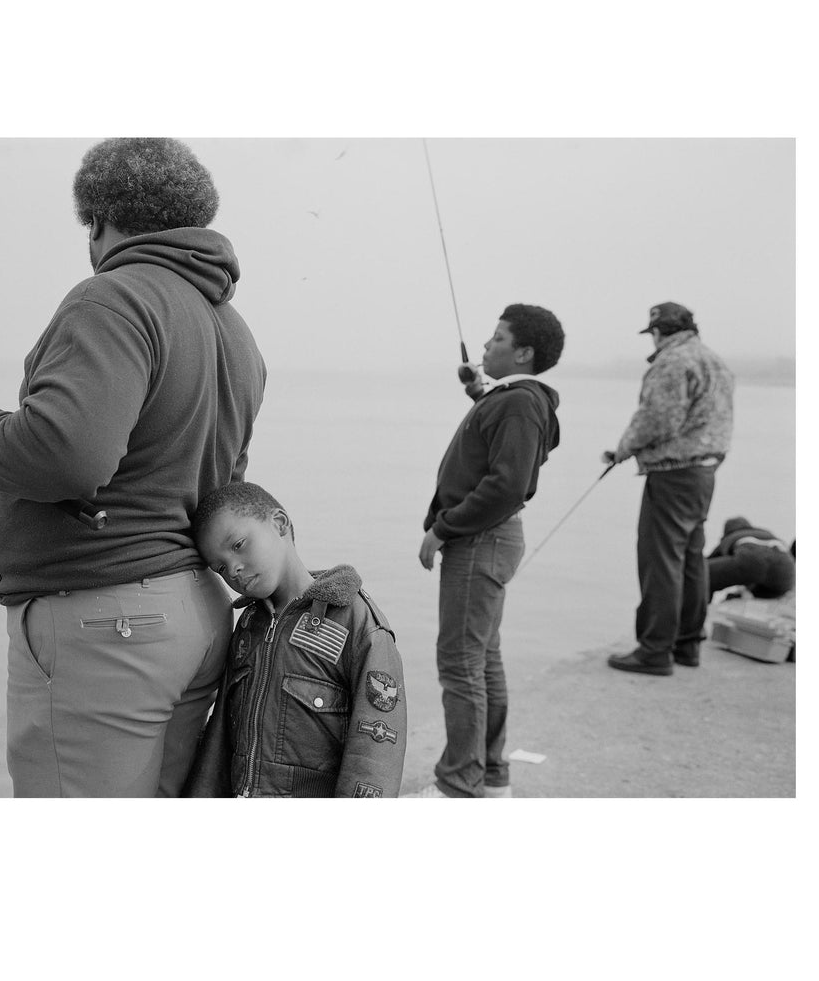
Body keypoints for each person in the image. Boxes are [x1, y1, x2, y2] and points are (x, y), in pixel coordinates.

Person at [0, 138, 266, 797]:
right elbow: (225, 484)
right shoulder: (234, 329)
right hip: (193, 612)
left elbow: (65, 455)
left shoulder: (112, 299)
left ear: (98, 219)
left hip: (105, 627)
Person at [413, 304, 564, 798]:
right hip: (489, 540)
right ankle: (491, 776)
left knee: (459, 662)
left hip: (480, 541)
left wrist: (443, 529)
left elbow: (506, 485)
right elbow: (500, 430)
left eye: (497, 339)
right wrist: (476, 389)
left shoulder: (519, 403)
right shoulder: (514, 400)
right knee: (483, 659)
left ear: (523, 352)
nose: (484, 347)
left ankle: (460, 784)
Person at [184, 482, 406, 798]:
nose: (233, 569)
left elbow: (376, 750)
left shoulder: (355, 621)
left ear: (279, 524)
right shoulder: (248, 626)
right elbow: (220, 736)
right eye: (219, 567)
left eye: (238, 545)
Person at [605, 302, 734, 676]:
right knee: (692, 559)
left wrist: (623, 450)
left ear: (660, 331)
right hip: (704, 472)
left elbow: (657, 419)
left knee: (660, 561)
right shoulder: (715, 360)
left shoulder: (672, 362)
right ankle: (687, 645)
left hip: (674, 474)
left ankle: (654, 651)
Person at [707, 516, 795, 599]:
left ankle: (699, 611)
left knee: (705, 574)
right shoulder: (767, 533)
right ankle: (747, 595)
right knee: (758, 575)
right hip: (786, 575)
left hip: (752, 562)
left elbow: (702, 566)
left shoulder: (732, 536)